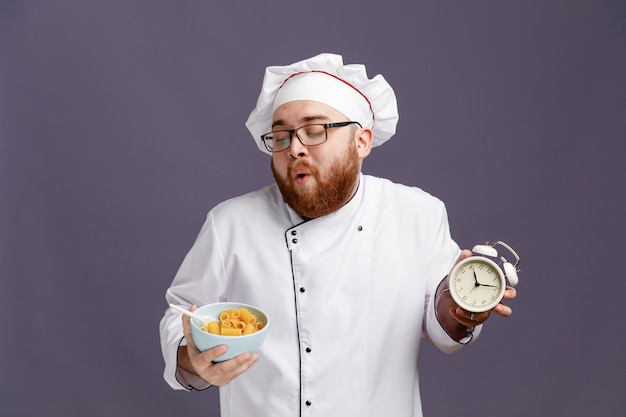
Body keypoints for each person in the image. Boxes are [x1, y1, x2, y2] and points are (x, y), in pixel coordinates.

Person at [159, 53, 517, 417]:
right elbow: (182, 313)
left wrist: (460, 310)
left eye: (315, 131)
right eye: (281, 136)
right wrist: (192, 359)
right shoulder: (231, 223)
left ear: (361, 141)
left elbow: (443, 328)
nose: (295, 147)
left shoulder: (416, 214)